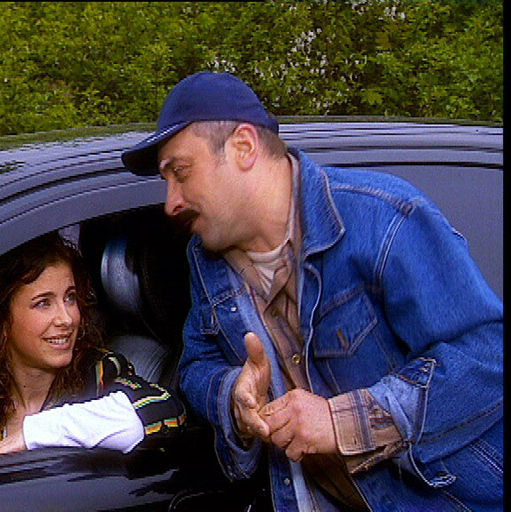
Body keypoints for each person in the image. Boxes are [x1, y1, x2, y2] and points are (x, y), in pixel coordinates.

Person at [121, 71, 503, 511]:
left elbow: (489, 356)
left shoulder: (383, 219)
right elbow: (196, 365)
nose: (171, 202)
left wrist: (342, 422)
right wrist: (233, 396)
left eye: (181, 173)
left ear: (243, 147)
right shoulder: (205, 258)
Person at [0, 231, 185, 462]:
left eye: (70, 297)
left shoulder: (99, 374)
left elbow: (167, 410)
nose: (67, 319)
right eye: (44, 303)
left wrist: (36, 433)